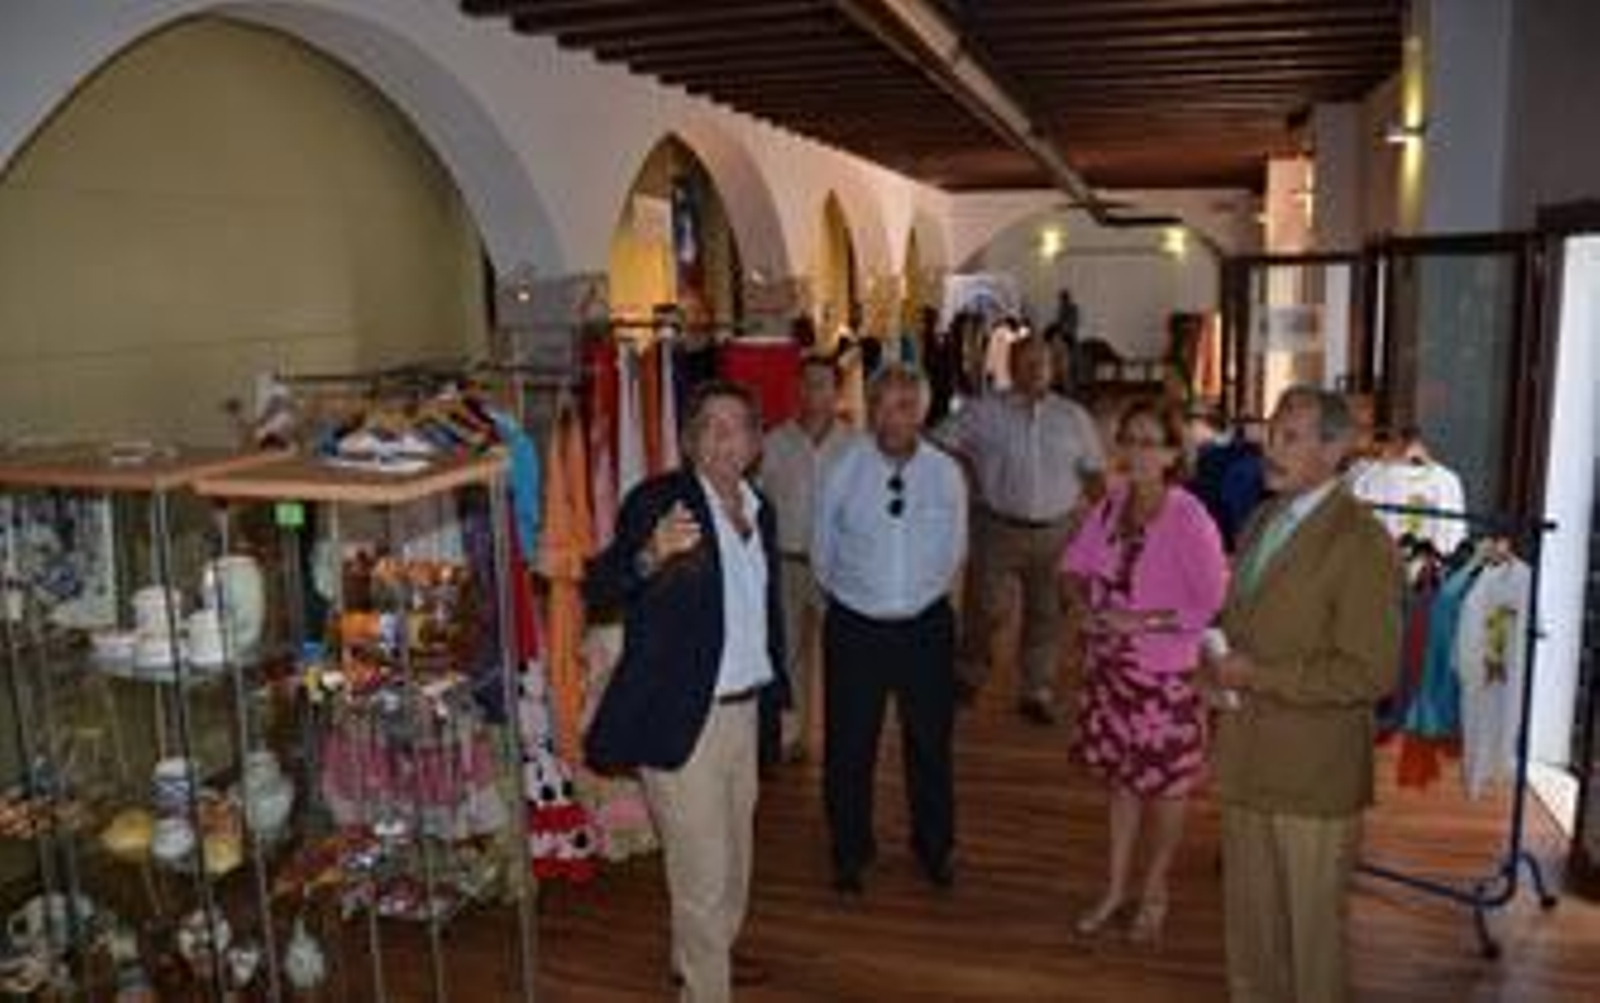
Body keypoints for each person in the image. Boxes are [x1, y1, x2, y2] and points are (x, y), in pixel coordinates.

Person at [583, 381, 789, 1003]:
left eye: (738, 427)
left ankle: (701, 955)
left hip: (745, 712)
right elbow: (600, 587)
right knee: (702, 874)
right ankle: (706, 987)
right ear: (691, 441)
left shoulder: (760, 509)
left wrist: (783, 697)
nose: (726, 439)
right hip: (682, 718)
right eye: (712, 427)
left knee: (736, 862)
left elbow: (767, 611)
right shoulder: (658, 502)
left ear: (756, 441)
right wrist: (650, 554)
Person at [1202, 385, 1402, 1003]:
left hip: (1313, 778)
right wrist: (1210, 666)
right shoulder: (1262, 519)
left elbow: (1370, 673)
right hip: (1246, 760)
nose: (1271, 447)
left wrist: (1255, 675)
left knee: (1312, 947)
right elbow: (1242, 624)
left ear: (1335, 449)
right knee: (1250, 936)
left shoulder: (1361, 541)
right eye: (1272, 432)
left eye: (1291, 437)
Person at [1060, 400, 1228, 944]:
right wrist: (1081, 605)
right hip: (1110, 670)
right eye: (1129, 439)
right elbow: (1074, 567)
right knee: (1123, 784)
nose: (1136, 452)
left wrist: (1141, 621)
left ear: (1173, 454)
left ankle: (1155, 889)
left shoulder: (1189, 517)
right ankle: (1115, 888)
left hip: (1165, 676)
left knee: (1168, 787)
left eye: (1150, 443)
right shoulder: (1111, 505)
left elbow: (1211, 600)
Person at [813, 364, 967, 895]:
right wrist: (861, 597)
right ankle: (850, 850)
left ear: (922, 411)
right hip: (856, 626)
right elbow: (822, 552)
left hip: (925, 627)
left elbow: (956, 548)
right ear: (870, 409)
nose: (893, 416)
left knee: (930, 744)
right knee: (849, 746)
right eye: (882, 404)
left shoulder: (945, 474)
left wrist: (920, 599)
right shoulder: (842, 470)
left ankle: (934, 847)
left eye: (905, 405)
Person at [937, 336, 1106, 724]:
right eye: (1026, 362)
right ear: (1011, 366)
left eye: (1041, 363)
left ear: (1053, 368)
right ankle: (969, 674)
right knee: (985, 608)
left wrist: (1104, 528)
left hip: (1057, 532)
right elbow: (938, 441)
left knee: (1047, 612)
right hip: (996, 527)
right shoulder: (983, 411)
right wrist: (966, 470)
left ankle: (1036, 688)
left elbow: (1094, 473)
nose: (1034, 370)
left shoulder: (1073, 417)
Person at [759, 357, 855, 763]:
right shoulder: (773, 442)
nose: (813, 391)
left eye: (823, 384)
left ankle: (843, 735)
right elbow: (758, 501)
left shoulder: (857, 446)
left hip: (839, 567)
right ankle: (792, 734)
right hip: (787, 562)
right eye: (807, 382)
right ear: (796, 388)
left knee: (843, 654)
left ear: (837, 392)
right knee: (788, 653)